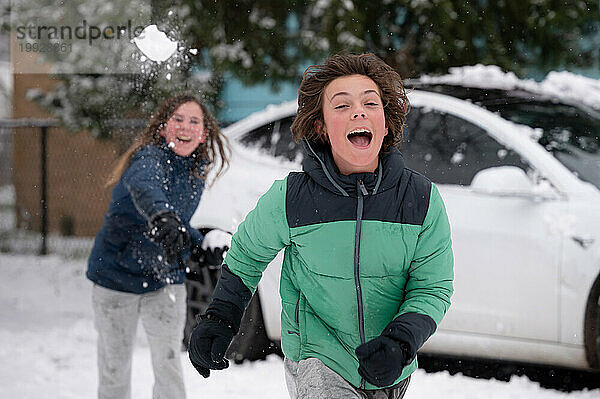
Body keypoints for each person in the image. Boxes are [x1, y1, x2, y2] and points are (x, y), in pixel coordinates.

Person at [188, 53, 454, 399]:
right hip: (318, 357)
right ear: (322, 127)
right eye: (342, 106)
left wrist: (400, 341)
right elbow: (246, 256)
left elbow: (432, 287)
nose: (358, 111)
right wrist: (221, 315)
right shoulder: (293, 198)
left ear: (386, 124)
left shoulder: (419, 199)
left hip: (390, 364)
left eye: (370, 103)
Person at [87, 93, 230, 399]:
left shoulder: (195, 170)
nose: (185, 127)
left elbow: (177, 220)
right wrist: (161, 216)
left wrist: (201, 243)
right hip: (116, 277)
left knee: (168, 365)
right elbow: (147, 189)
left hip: (165, 279)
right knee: (114, 368)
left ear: (204, 133)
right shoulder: (148, 158)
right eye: (178, 119)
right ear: (164, 127)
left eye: (194, 121)